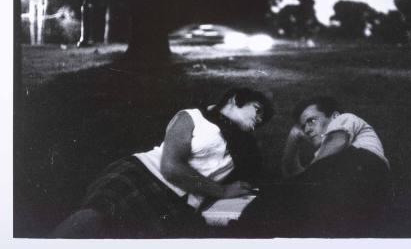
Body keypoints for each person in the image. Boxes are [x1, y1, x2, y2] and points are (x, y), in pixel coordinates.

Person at [51, 87, 273, 238]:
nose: (260, 119)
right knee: (94, 219)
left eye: (263, 119)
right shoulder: (192, 117)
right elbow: (171, 167)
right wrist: (221, 191)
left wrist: (294, 136)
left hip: (179, 205)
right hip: (144, 175)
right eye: (258, 110)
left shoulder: (244, 146)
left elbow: (263, 177)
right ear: (235, 100)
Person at [233, 96, 391, 238]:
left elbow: (337, 142)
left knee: (272, 200)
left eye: (312, 120)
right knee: (273, 207)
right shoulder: (322, 156)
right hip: (346, 191)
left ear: (334, 116)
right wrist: (293, 138)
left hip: (363, 167)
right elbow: (292, 175)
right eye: (303, 126)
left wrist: (294, 185)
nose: (307, 129)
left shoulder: (345, 119)